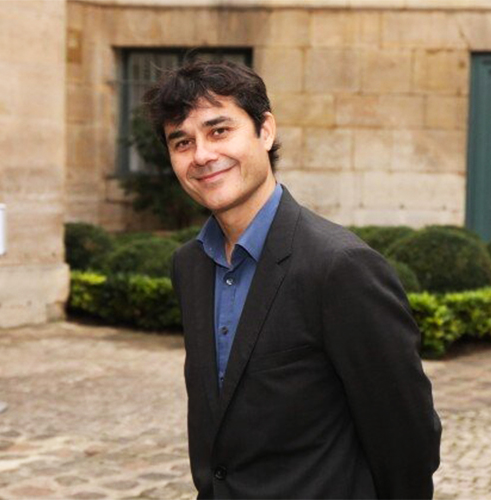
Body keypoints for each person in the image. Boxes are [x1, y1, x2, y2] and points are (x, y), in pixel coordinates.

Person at [144, 60, 441, 499]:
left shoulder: (340, 267)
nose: (202, 155)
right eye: (182, 142)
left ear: (265, 131)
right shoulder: (190, 265)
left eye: (219, 131)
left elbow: (407, 441)